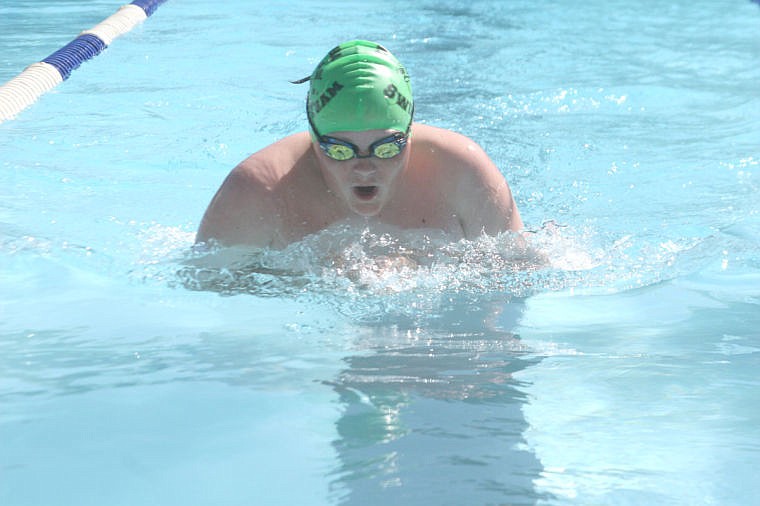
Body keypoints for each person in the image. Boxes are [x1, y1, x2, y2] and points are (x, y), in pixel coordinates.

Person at [196, 40, 523, 249]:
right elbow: (207, 302)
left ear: (409, 133)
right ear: (313, 137)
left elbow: (523, 274)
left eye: (386, 147)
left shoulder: (463, 171)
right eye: (340, 149)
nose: (365, 167)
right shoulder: (257, 192)